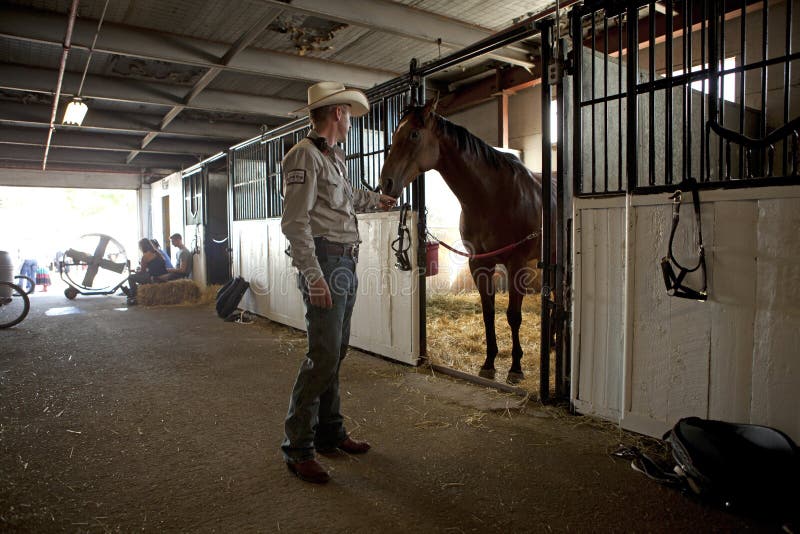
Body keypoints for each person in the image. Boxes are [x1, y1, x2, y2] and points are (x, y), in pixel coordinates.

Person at [280, 81, 397, 484]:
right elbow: (295, 223)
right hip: (326, 262)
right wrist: (312, 275)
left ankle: (331, 432)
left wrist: (375, 200)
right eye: (347, 113)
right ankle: (298, 447)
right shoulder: (303, 157)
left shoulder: (335, 159)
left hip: (345, 260)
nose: (350, 120)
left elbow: (343, 201)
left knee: (337, 350)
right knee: (324, 353)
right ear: (337, 114)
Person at [124, 238, 167, 305]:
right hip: (163, 275)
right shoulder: (157, 253)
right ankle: (133, 293)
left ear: (142, 247)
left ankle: (134, 296)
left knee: (130, 277)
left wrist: (136, 271)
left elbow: (142, 272)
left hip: (153, 277)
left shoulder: (145, 256)